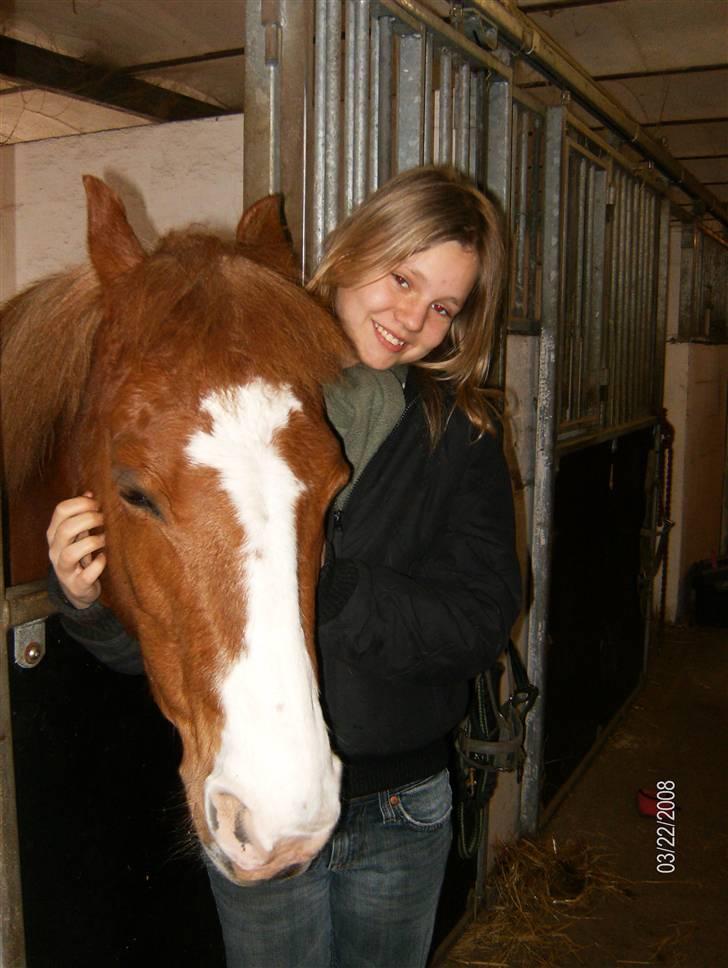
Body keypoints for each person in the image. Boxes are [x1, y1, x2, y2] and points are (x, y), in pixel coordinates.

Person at [47, 165, 522, 968]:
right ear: (351, 253)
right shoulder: (238, 406)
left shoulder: (460, 434)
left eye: (443, 306)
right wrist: (89, 602)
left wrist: (336, 587)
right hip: (256, 791)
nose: (413, 317)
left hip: (400, 803)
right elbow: (177, 637)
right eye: (402, 278)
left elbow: (480, 618)